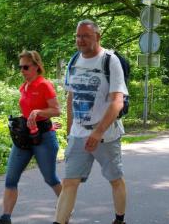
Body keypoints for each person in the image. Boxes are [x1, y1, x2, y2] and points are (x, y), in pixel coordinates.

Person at [53, 19, 128, 224]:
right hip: (78, 133)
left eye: (85, 35)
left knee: (115, 179)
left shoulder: (110, 61)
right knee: (69, 182)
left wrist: (98, 132)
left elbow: (117, 102)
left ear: (97, 36)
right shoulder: (74, 60)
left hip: (106, 134)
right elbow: (71, 97)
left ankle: (119, 220)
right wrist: (70, 131)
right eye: (78, 36)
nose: (80, 40)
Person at [0, 50, 62, 224]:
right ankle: (5, 217)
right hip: (25, 136)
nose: (22, 71)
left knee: (50, 178)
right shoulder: (24, 86)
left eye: (25, 67)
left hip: (44, 138)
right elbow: (27, 109)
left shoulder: (44, 85)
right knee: (10, 178)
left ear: (37, 66)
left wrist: (39, 112)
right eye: (20, 67)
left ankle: (66, 207)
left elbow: (57, 110)